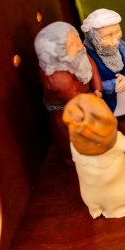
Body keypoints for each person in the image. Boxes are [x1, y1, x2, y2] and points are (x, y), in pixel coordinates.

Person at [63, 94, 125, 219]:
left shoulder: (74, 147)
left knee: (90, 192)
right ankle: (122, 205)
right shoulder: (117, 142)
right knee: (122, 191)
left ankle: (95, 208)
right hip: (120, 192)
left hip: (90, 194)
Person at [34, 21, 103, 160]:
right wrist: (92, 100)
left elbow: (92, 67)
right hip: (68, 111)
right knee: (71, 138)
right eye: (71, 44)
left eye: (77, 38)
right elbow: (74, 98)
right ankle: (75, 158)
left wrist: (97, 88)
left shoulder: (78, 55)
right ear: (56, 53)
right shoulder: (57, 77)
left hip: (87, 99)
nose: (80, 46)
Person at [81, 8, 125, 117]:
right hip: (107, 95)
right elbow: (89, 81)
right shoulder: (86, 54)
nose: (114, 41)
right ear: (92, 38)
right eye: (106, 37)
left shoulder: (120, 44)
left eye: (117, 32)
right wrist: (112, 84)